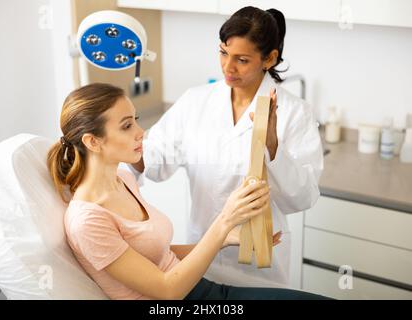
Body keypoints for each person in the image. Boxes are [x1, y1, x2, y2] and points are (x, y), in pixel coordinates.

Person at [47, 83, 327, 300]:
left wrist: (226, 239)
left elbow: (154, 253)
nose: (141, 132)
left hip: (202, 291)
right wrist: (224, 221)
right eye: (127, 125)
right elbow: (168, 291)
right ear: (93, 142)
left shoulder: (123, 180)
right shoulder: (87, 221)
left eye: (136, 120)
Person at [129, 6, 324, 288]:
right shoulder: (195, 102)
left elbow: (303, 197)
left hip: (260, 266)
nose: (227, 67)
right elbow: (156, 160)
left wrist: (273, 149)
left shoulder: (295, 112)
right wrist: (120, 147)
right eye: (223, 53)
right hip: (200, 258)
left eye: (242, 60)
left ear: (269, 58)